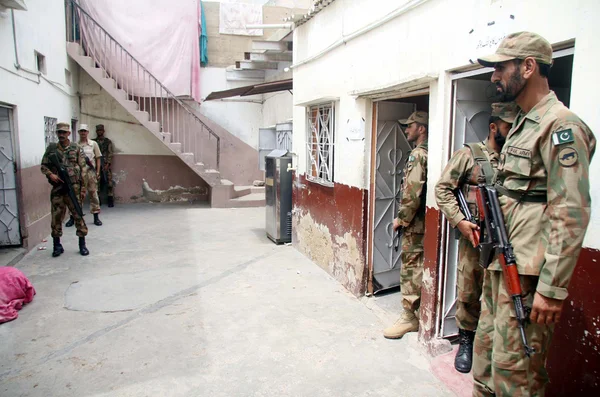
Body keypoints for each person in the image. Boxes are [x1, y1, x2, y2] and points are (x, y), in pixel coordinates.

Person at [472, 31, 596, 396]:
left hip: (527, 276)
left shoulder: (562, 127)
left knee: (516, 378)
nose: (494, 76)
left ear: (528, 67)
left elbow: (570, 209)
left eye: (500, 67)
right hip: (502, 264)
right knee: (485, 366)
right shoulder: (524, 124)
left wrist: (552, 289)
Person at [434, 102, 517, 373]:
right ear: (494, 127)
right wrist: (460, 221)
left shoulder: (516, 159)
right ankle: (466, 342)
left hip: (506, 240)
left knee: (500, 295)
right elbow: (443, 189)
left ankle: (490, 347)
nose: (513, 129)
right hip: (476, 239)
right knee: (469, 292)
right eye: (508, 125)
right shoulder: (469, 155)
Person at [383, 111, 429, 339]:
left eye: (410, 126)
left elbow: (412, 191)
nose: (407, 129)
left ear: (421, 129)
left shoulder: (419, 155)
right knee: (418, 265)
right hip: (423, 222)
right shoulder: (428, 151)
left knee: (411, 266)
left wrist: (401, 219)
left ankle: (410, 317)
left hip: (416, 224)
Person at [40, 122, 90, 257]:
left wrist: (83, 188)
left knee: (78, 215)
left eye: (64, 132)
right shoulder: (51, 149)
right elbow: (44, 166)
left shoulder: (76, 147)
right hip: (58, 188)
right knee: (56, 216)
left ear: (69, 133)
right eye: (59, 132)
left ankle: (82, 244)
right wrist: (51, 174)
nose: (61, 135)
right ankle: (57, 245)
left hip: (74, 188)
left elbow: (83, 169)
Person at [66, 124, 103, 227]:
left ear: (87, 132)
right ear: (78, 132)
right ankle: (73, 218)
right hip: (79, 173)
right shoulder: (75, 145)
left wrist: (98, 172)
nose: (83, 133)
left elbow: (98, 158)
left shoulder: (93, 144)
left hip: (91, 172)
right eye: (81, 131)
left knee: (93, 194)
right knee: (77, 195)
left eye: (84, 131)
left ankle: (96, 217)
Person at [93, 124, 115, 207]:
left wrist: (108, 164)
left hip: (105, 164)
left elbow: (110, 153)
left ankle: (110, 199)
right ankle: (98, 201)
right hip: (96, 165)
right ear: (96, 131)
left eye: (101, 130)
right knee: (97, 183)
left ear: (103, 131)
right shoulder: (93, 142)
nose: (100, 132)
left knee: (109, 182)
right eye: (98, 130)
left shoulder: (107, 142)